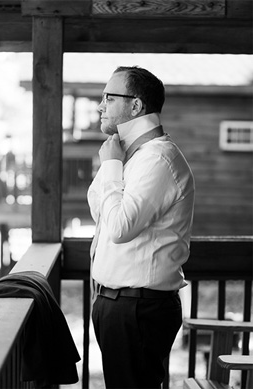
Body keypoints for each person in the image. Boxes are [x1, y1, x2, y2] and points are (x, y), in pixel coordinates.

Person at [88, 66, 195, 388]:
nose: (100, 105)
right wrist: (114, 164)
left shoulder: (157, 160)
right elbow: (102, 212)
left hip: (138, 307)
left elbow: (119, 228)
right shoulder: (129, 155)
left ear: (135, 106)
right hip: (118, 304)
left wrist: (110, 166)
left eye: (108, 97)